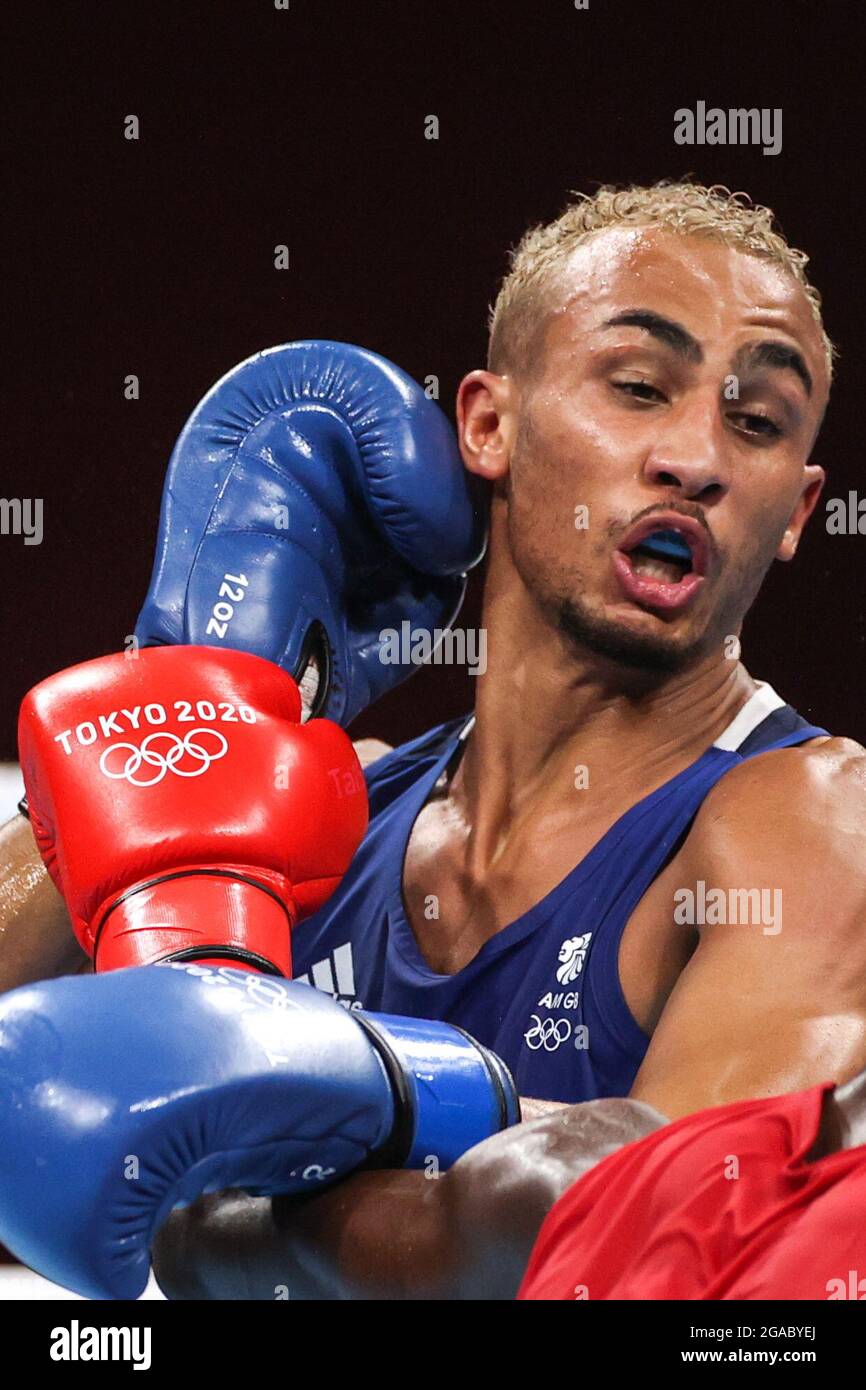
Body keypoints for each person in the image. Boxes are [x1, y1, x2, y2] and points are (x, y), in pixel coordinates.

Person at [2, 182, 865, 1127]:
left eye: (757, 423)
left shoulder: (813, 829)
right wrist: (195, 713)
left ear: (798, 511)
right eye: (639, 387)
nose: (697, 458)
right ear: (488, 425)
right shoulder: (333, 823)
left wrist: (328, 1109)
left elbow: (707, 1215)